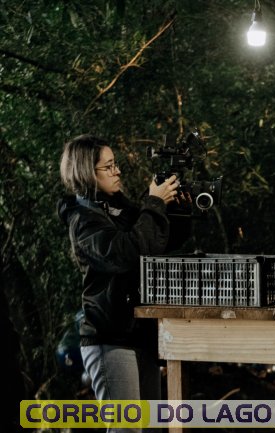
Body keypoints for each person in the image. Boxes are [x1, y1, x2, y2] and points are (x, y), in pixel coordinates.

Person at [57, 134, 187, 431]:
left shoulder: (120, 209)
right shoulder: (84, 220)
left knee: (152, 427)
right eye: (109, 166)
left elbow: (157, 242)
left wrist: (178, 209)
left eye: (115, 164)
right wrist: (154, 202)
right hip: (109, 338)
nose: (117, 172)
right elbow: (127, 253)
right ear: (86, 172)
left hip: (141, 334)